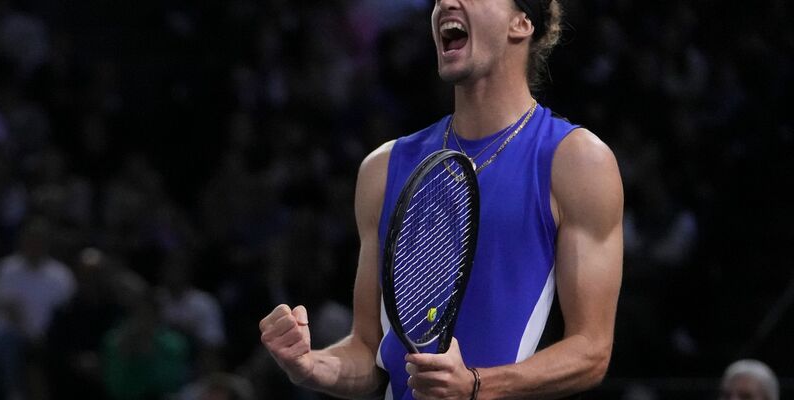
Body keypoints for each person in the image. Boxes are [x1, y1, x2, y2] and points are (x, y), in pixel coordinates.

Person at [259, 0, 623, 399]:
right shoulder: (383, 169)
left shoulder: (575, 161)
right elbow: (369, 353)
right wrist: (311, 366)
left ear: (521, 23)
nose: (446, 3)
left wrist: (476, 385)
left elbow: (591, 351)